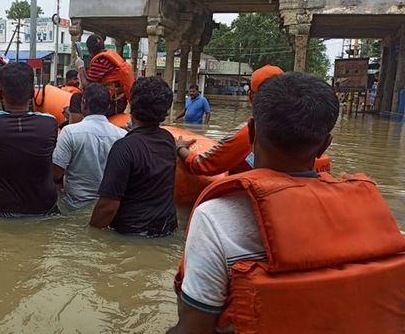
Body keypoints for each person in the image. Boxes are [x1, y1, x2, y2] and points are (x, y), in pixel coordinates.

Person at [169, 72, 405, 333]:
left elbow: (193, 328)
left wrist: (180, 150)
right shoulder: (377, 218)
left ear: (251, 131)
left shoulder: (215, 217)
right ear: (324, 145)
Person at [90, 76, 177, 237]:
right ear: (166, 110)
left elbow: (108, 206)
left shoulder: (123, 148)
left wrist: (89, 233)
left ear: (132, 104)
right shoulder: (168, 140)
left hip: (131, 234)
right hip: (167, 230)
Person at [0, 62, 59, 217]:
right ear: (31, 94)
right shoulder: (49, 123)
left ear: (1, 94)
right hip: (46, 211)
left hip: (2, 211)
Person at [176, 64, 283, 175]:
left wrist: (180, 147)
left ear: (251, 97)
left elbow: (202, 164)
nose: (191, 93)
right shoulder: (298, 128)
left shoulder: (249, 132)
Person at [52, 83, 127, 209]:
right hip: (107, 209)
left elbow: (55, 174)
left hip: (74, 206)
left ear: (84, 103)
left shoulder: (70, 132)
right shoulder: (122, 135)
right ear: (108, 106)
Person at [72, 34, 135, 121]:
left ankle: (75, 128)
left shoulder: (100, 61)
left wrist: (80, 67)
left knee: (76, 98)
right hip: (119, 102)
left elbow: (87, 86)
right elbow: (91, 80)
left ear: (89, 49)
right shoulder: (110, 55)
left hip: (112, 104)